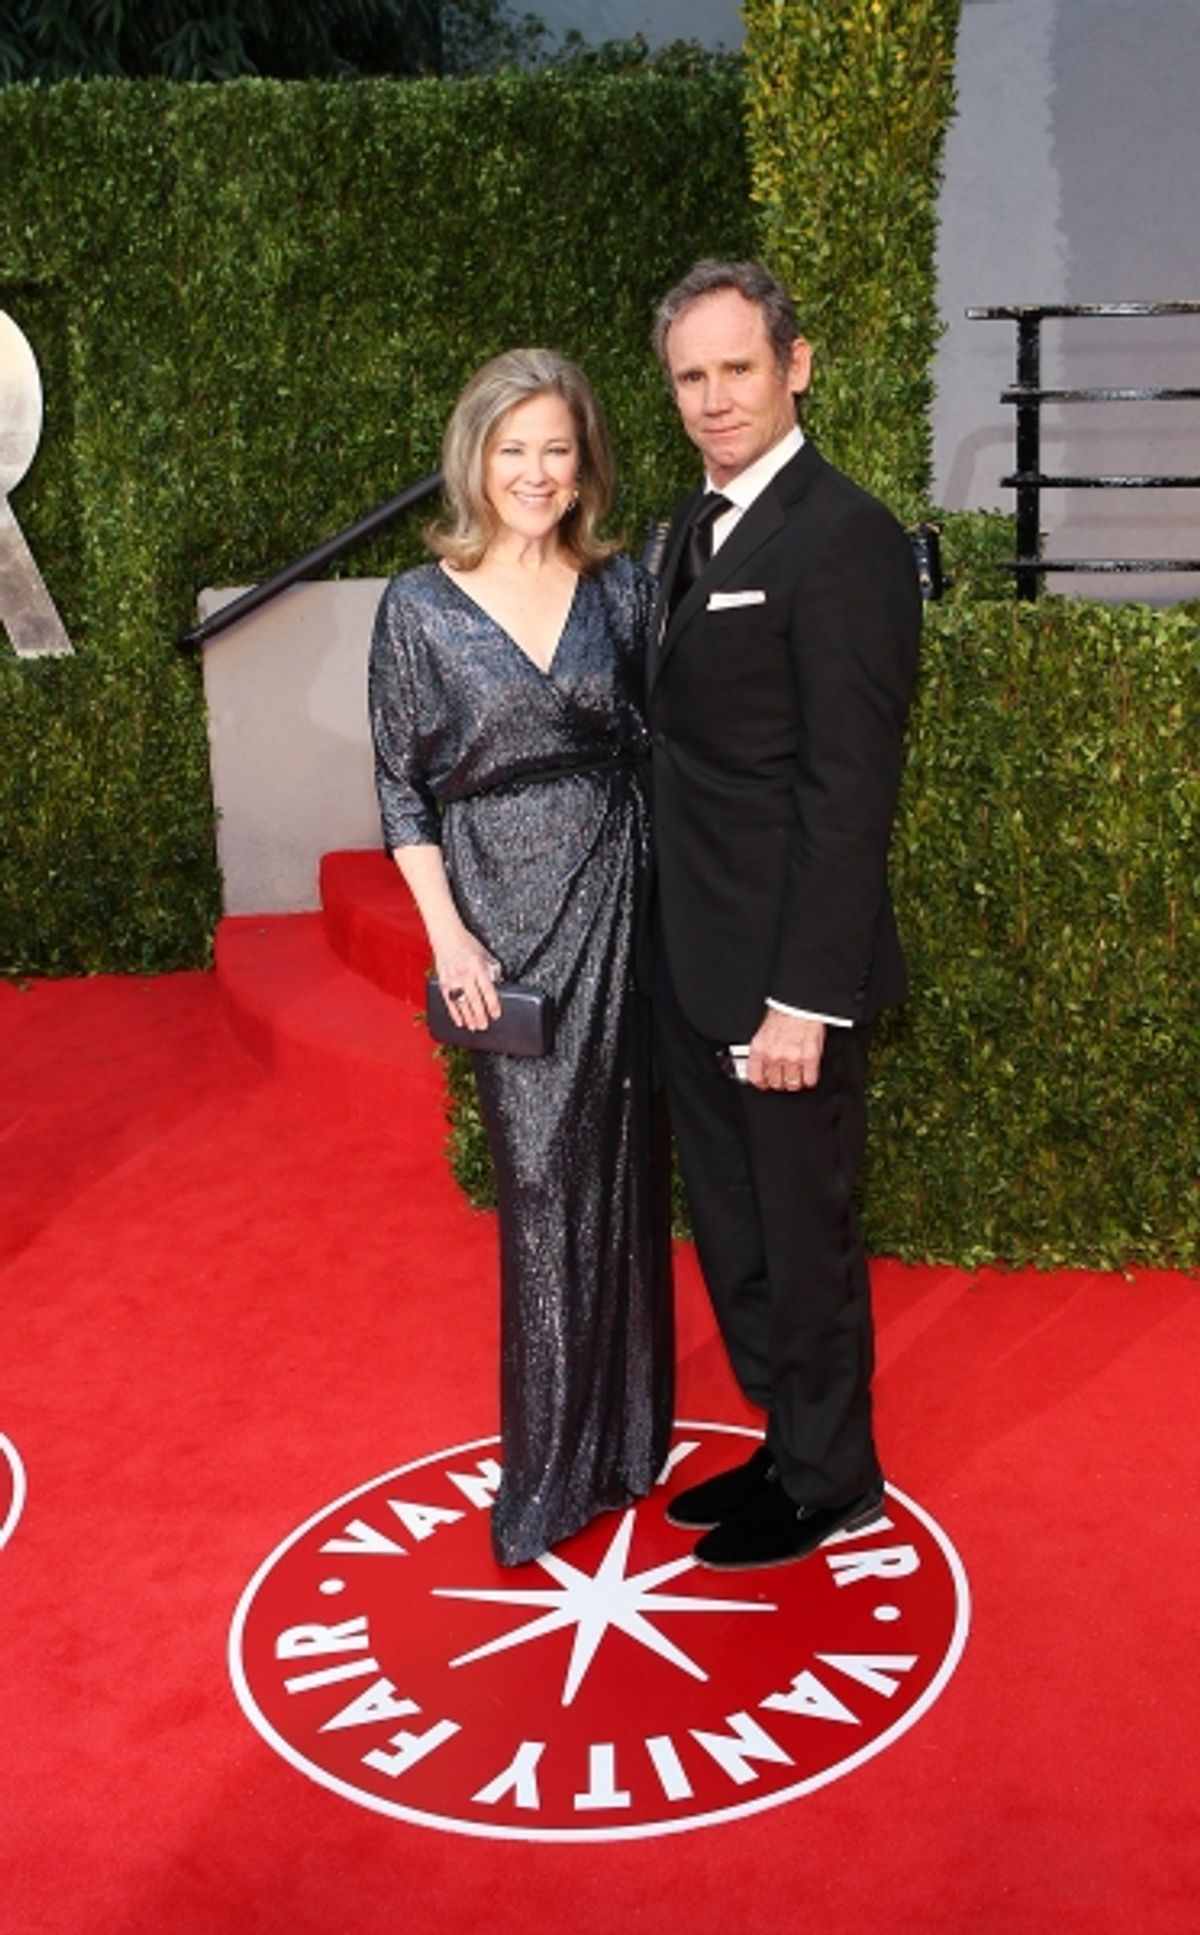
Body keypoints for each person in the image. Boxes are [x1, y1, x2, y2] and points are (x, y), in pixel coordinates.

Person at [368, 347, 673, 1568]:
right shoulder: (419, 606)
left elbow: (662, 742)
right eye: (514, 450)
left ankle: (629, 1437)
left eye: (558, 448)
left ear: (585, 462)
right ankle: (547, 1472)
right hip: (502, 916)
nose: (537, 473)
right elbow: (402, 790)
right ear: (475, 460)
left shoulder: (621, 590)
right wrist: (450, 937)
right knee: (542, 1186)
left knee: (628, 1165)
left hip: (624, 894)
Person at [647, 259, 921, 1570]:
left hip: (781, 976)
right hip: (692, 954)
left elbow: (849, 789)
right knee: (738, 1226)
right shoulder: (688, 527)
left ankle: (831, 1475)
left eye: (738, 369)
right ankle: (786, 1437)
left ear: (796, 366)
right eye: (690, 377)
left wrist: (805, 996)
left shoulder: (845, 535)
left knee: (802, 1234)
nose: (715, 399)